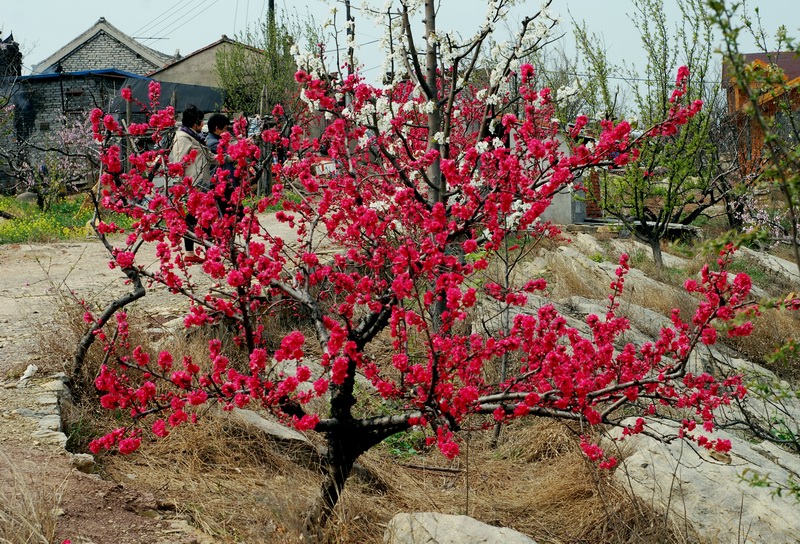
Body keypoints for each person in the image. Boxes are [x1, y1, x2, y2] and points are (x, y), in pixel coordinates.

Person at [169, 104, 211, 264]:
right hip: (192, 185)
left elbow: (210, 157)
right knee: (200, 218)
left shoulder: (194, 137)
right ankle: (203, 252)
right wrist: (179, 190)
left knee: (197, 218)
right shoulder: (182, 138)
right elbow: (178, 164)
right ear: (195, 123)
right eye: (201, 122)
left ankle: (193, 253)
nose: (203, 125)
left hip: (200, 182)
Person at [205, 113, 238, 217]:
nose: (226, 132)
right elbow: (231, 154)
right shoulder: (212, 143)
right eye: (225, 129)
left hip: (224, 183)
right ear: (217, 128)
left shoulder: (217, 140)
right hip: (219, 185)